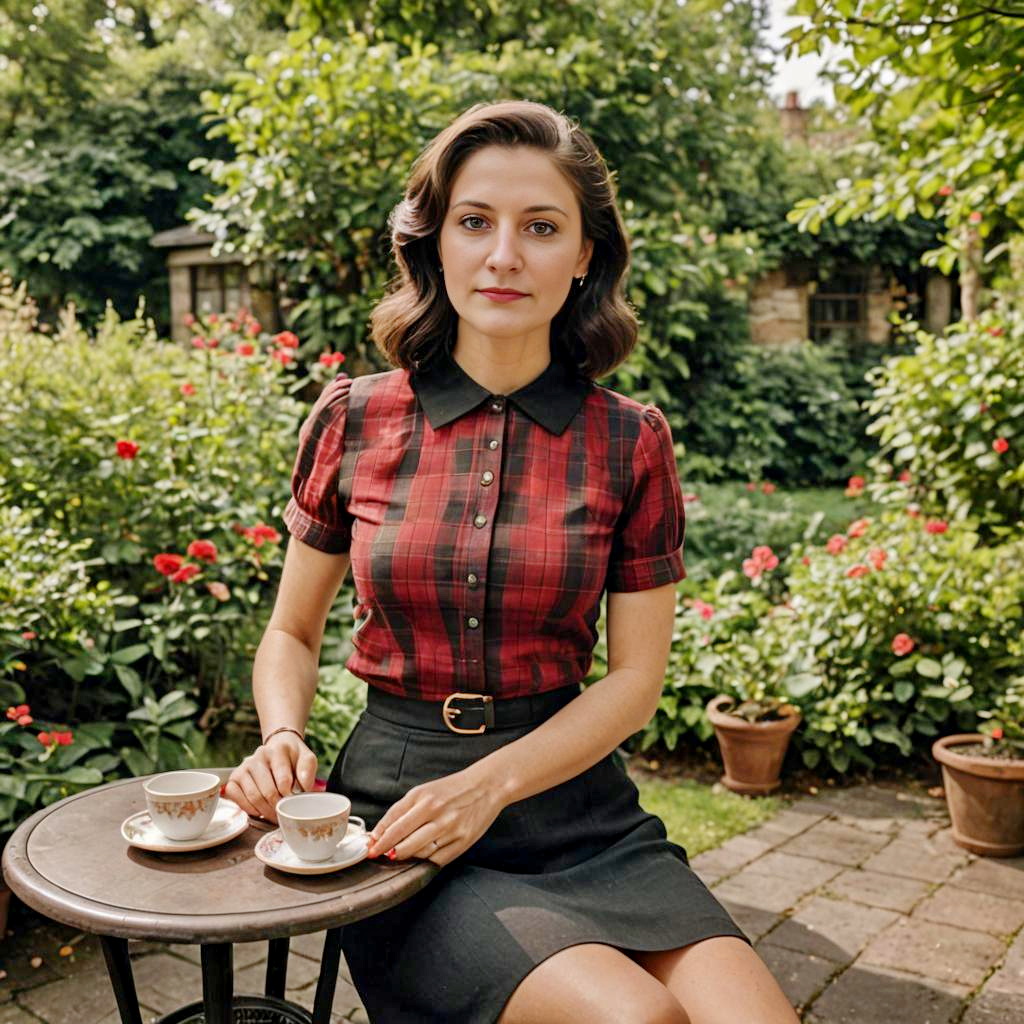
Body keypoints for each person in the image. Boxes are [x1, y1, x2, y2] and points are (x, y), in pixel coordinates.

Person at [226, 99, 799, 1024]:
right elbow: (291, 630)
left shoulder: (632, 440)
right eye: (475, 222)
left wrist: (494, 781)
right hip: (407, 817)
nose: (504, 255)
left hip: (581, 812)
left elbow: (636, 681)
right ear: (436, 243)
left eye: (540, 227)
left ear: (583, 257)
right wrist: (282, 736)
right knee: (638, 1020)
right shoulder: (355, 418)